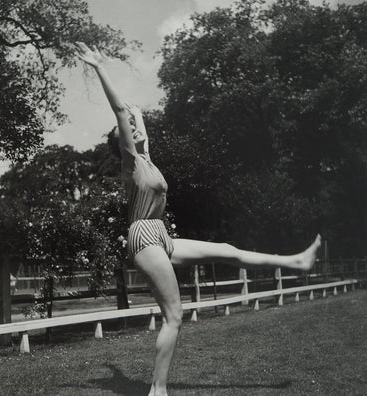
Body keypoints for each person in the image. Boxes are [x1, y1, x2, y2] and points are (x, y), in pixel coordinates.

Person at [75, 42, 321, 396]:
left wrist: (139, 113)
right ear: (123, 142)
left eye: (132, 126)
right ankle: (157, 391)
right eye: (127, 129)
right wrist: (100, 68)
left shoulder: (148, 161)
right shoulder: (131, 163)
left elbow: (141, 131)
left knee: (226, 249)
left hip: (161, 235)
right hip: (144, 236)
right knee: (174, 316)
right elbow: (119, 112)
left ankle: (297, 262)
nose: (132, 128)